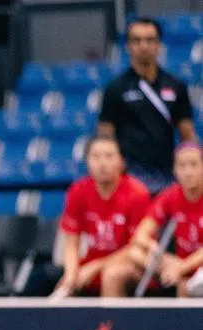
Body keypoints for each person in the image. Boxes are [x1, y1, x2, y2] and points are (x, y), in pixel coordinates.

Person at [98, 17, 197, 194]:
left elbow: (187, 135)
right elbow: (105, 136)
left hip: (168, 178)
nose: (143, 46)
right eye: (137, 40)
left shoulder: (176, 86)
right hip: (129, 180)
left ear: (159, 45)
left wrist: (192, 167)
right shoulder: (115, 88)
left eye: (150, 40)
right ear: (128, 46)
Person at [50, 135, 151, 298]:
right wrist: (70, 276)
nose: (102, 163)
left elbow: (136, 248)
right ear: (87, 161)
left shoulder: (137, 193)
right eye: (96, 157)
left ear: (122, 162)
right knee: (63, 288)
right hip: (90, 263)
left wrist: (97, 267)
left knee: (111, 275)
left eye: (109, 156)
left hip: (131, 264)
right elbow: (72, 244)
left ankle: (110, 316)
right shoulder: (77, 191)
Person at [130, 142, 203, 297]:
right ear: (174, 170)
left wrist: (182, 267)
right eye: (182, 166)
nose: (188, 172)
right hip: (178, 263)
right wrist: (152, 246)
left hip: (196, 264)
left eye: (194, 165)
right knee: (135, 253)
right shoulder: (170, 195)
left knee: (185, 285)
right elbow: (140, 235)